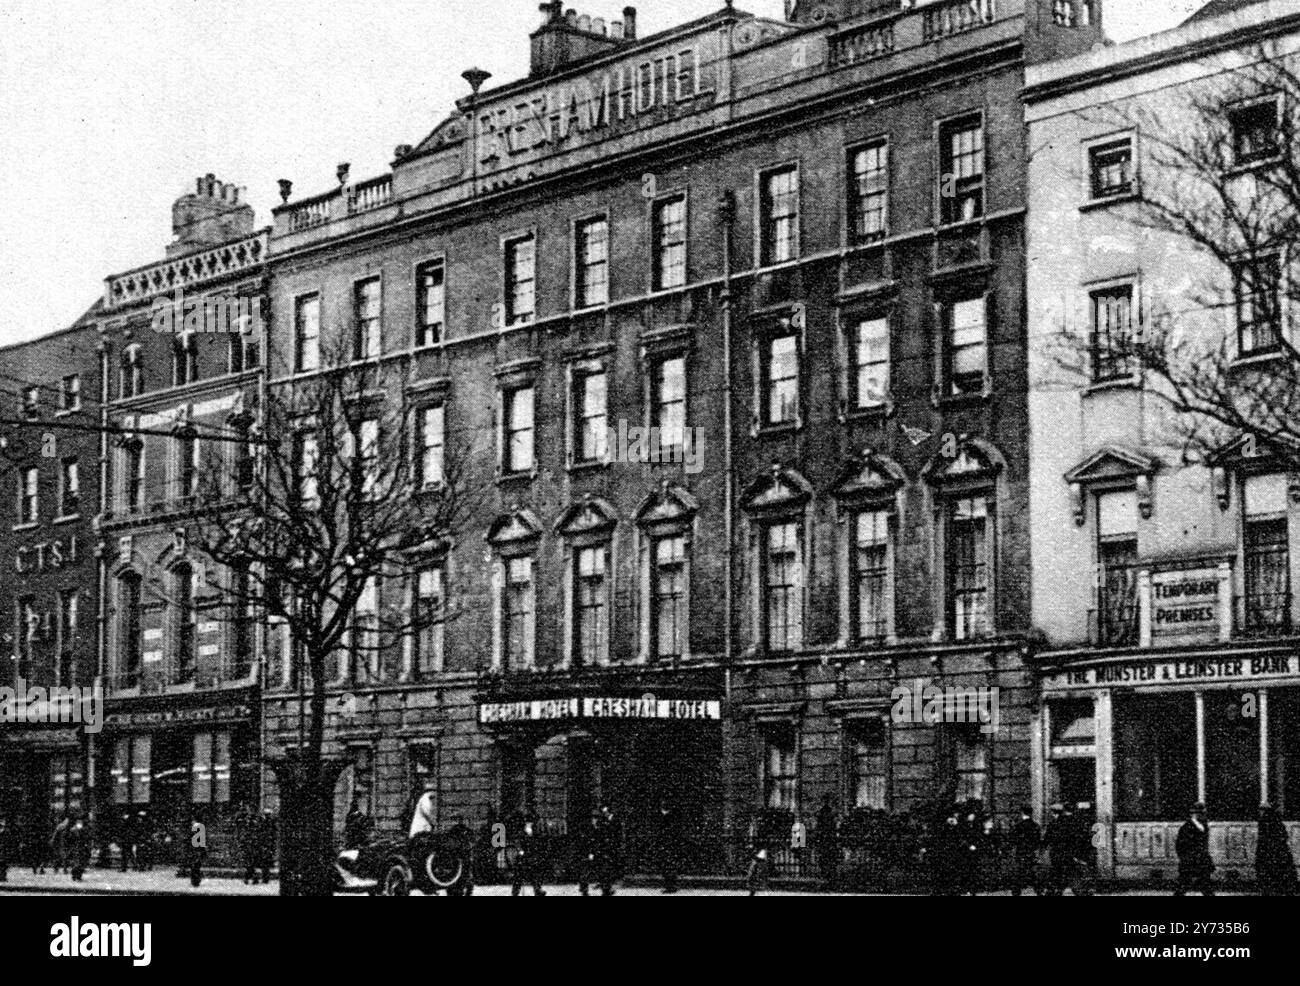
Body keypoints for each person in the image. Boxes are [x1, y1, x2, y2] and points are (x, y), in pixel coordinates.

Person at [1254, 805, 1298, 897]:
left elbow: (1260, 852)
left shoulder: (1263, 827)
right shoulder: (1279, 830)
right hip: (1279, 862)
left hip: (1268, 864)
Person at [1174, 802, 1214, 896]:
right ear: (1196, 814)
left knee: (1204, 886)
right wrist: (1185, 858)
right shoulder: (1186, 827)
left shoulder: (1203, 825)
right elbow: (1180, 846)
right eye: (1203, 813)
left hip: (1200, 861)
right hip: (1190, 861)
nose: (1205, 816)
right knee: (1184, 886)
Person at [1010, 805, 1042, 896]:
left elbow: (1013, 840)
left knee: (1018, 875)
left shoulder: (1018, 826)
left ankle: (1016, 893)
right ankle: (1039, 891)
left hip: (1021, 854)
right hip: (1031, 853)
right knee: (1033, 874)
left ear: (1022, 813)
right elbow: (1038, 841)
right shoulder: (1036, 826)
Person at [511, 816, 546, 896]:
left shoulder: (534, 833)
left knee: (535, 875)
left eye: (530, 823)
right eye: (528, 823)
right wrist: (520, 850)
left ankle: (537, 890)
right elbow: (517, 843)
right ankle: (515, 892)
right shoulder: (521, 833)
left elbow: (536, 844)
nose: (529, 825)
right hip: (522, 858)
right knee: (518, 877)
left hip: (531, 857)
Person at [1044, 803, 1073, 896]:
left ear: (1054, 813)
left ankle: (1053, 889)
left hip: (1055, 852)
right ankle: (1061, 888)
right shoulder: (1068, 824)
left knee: (1055, 870)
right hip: (1066, 851)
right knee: (1064, 870)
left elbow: (1047, 839)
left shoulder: (1052, 824)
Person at [593, 804, 623, 896]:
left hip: (613, 848)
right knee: (605, 869)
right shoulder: (602, 821)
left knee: (611, 868)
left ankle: (608, 887)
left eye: (606, 812)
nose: (605, 814)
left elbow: (618, 834)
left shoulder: (616, 821)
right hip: (604, 848)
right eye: (603, 812)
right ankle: (606, 888)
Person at [656, 800, 681, 894]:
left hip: (666, 845)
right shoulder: (673, 817)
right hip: (671, 845)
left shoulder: (665, 817)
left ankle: (669, 886)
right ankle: (671, 885)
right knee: (670, 866)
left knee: (667, 866)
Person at [815, 799, 839, 891]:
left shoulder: (821, 818)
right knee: (830, 863)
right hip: (829, 843)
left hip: (824, 843)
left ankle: (826, 881)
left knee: (824, 862)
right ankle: (830, 882)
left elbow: (818, 830)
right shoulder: (831, 818)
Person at [744, 815, 769, 896]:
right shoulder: (755, 833)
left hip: (759, 856)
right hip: (758, 855)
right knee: (753, 876)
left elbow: (762, 847)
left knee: (755, 876)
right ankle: (753, 892)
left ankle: (754, 892)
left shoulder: (760, 833)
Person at [253, 809, 278, 885]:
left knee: (263, 864)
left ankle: (262, 878)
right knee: (264, 864)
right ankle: (263, 878)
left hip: (265, 846)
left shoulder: (265, 823)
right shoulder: (267, 824)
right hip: (265, 846)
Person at [67, 816, 89, 883]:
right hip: (75, 849)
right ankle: (74, 875)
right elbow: (69, 840)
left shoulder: (83, 830)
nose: (80, 824)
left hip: (81, 848)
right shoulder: (73, 830)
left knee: (81, 863)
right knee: (76, 863)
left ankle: (79, 876)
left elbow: (86, 839)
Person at [186, 817, 206, 888]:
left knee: (195, 866)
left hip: (197, 851)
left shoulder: (198, 832)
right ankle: (195, 880)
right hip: (195, 851)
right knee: (195, 867)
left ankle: (195, 881)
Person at [0, 818, 14, 882]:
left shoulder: (6, 834)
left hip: (3, 853)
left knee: (3, 865)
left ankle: (3, 877)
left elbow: (8, 843)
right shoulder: (6, 833)